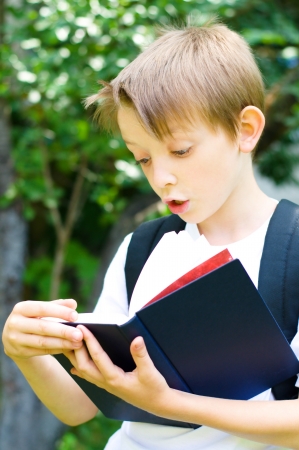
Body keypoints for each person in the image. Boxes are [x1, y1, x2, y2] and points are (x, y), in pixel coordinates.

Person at [2, 18, 299, 450]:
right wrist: (25, 353)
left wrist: (171, 402)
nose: (161, 177)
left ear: (246, 130)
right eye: (142, 158)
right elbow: (81, 406)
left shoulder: (290, 251)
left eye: (180, 150)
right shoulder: (142, 249)